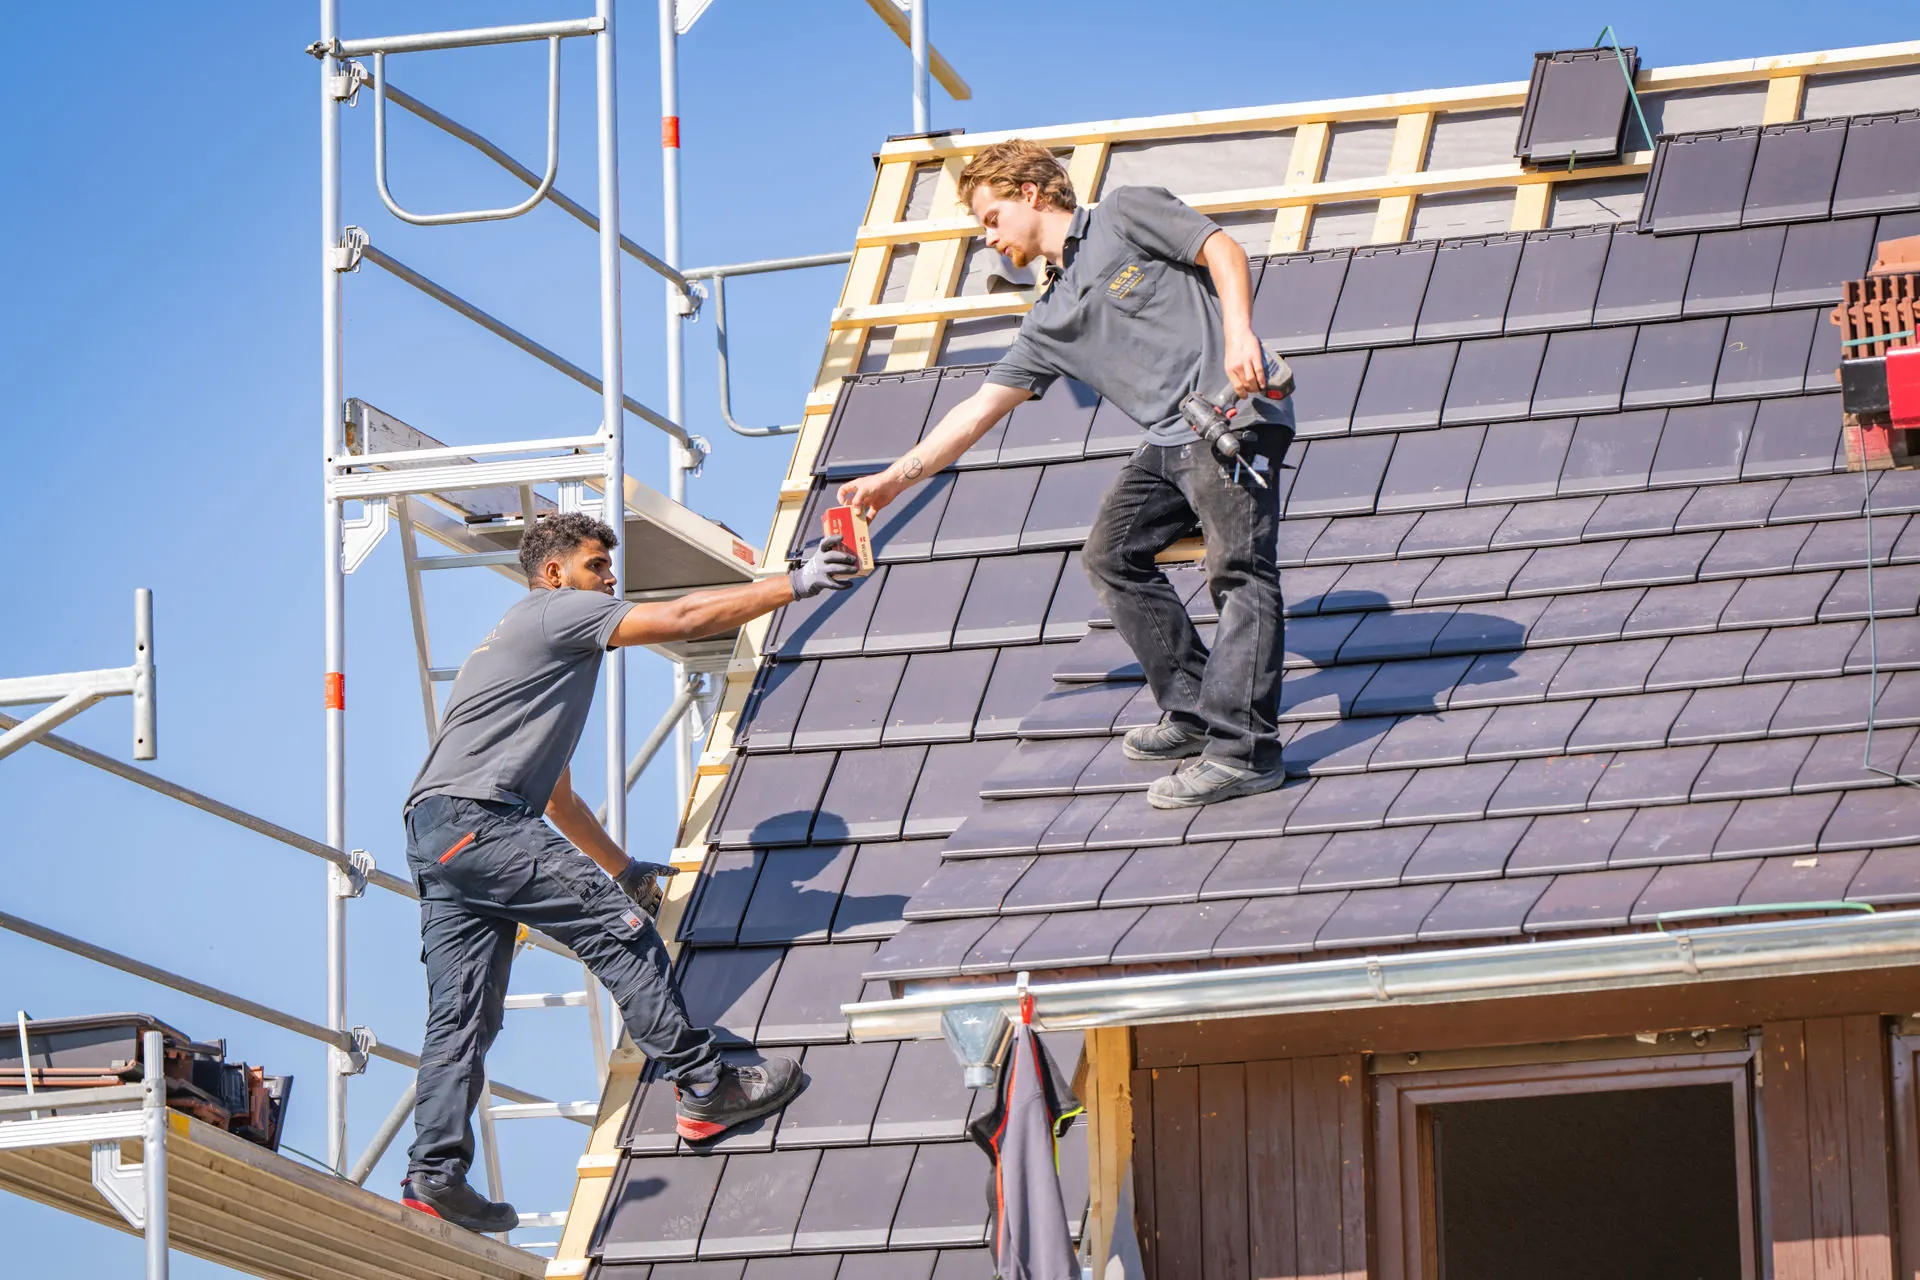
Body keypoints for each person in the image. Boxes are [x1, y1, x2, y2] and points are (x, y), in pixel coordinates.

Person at [399, 511, 857, 1232]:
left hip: (443, 836)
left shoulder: (528, 658)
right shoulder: (557, 615)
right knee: (620, 933)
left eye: (608, 572)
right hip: (480, 822)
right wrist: (794, 584)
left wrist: (621, 868)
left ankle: (433, 1175)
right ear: (555, 575)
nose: (609, 583)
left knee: (462, 1016)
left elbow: (557, 798)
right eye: (596, 568)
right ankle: (705, 1085)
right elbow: (680, 616)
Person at [840, 140, 1294, 807]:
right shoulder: (1048, 319)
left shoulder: (1123, 213)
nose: (987, 238)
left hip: (1233, 415)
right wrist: (890, 481)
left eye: (990, 219)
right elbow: (976, 412)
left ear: (1029, 193)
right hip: (1171, 440)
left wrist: (1239, 335)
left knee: (1239, 572)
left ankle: (1246, 751)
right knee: (1110, 553)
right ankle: (1196, 707)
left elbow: (1222, 250)